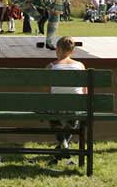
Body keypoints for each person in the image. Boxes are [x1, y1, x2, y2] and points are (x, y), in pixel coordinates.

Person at [47, 36, 85, 164]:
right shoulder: (80, 66)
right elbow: (85, 91)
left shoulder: (51, 66)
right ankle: (64, 144)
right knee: (74, 117)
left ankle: (62, 142)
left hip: (56, 108)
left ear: (57, 49)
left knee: (52, 112)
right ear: (73, 51)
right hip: (76, 107)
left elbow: (48, 93)